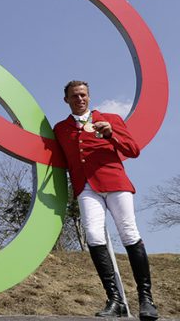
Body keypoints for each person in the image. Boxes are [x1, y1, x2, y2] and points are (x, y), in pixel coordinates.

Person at [53, 80, 158, 320]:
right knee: (93, 236)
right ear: (66, 100)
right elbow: (44, 147)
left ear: (89, 97)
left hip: (115, 182)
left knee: (129, 233)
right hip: (85, 187)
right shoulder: (60, 128)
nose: (79, 99)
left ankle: (146, 299)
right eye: (74, 96)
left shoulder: (110, 118)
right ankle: (115, 300)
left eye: (83, 95)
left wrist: (111, 134)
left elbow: (133, 150)